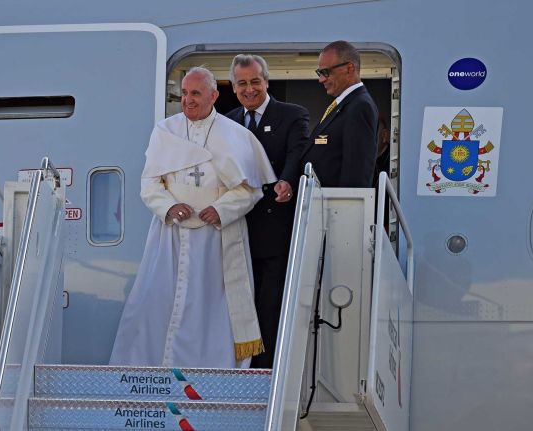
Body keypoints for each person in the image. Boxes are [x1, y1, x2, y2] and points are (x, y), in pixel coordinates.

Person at [110, 67, 276, 368]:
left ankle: (213, 371)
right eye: (184, 94)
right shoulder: (165, 131)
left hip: (216, 238)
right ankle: (150, 370)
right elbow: (149, 183)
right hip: (170, 235)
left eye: (195, 93)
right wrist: (168, 207)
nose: (188, 100)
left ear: (213, 96)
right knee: (156, 301)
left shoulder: (235, 134)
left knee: (210, 308)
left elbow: (250, 190)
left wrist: (222, 209)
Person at [225, 54, 310, 368]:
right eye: (242, 83)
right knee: (238, 302)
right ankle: (238, 365)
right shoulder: (228, 120)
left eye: (255, 81)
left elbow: (297, 151)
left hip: (274, 229)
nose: (250, 89)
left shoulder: (292, 114)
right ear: (234, 88)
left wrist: (286, 180)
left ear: (267, 81)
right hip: (236, 229)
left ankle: (266, 369)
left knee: (269, 304)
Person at [305, 40, 378, 187]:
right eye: (319, 73)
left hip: (337, 206)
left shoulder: (359, 106)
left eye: (325, 72)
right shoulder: (345, 104)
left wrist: (347, 207)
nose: (321, 79)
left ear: (349, 68)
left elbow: (356, 173)